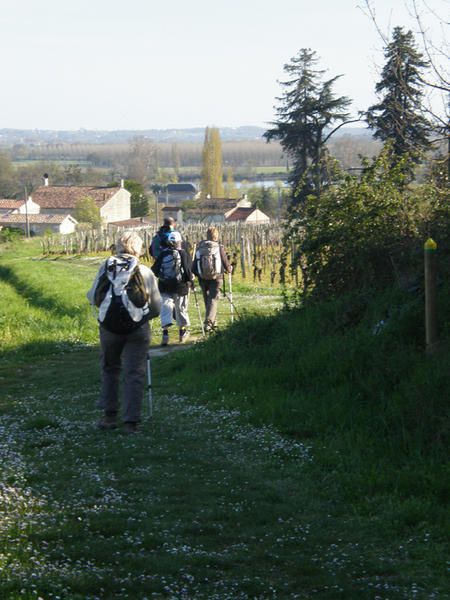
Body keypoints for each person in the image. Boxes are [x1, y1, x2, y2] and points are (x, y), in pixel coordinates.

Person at [87, 231, 161, 434]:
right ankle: (131, 422)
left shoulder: (106, 266)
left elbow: (92, 296)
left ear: (117, 246)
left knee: (110, 369)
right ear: (139, 249)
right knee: (134, 373)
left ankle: (109, 416)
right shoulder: (144, 271)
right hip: (138, 329)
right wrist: (146, 318)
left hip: (109, 328)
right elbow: (156, 305)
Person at [151, 230, 193, 346]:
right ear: (179, 241)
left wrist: (161, 277)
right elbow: (187, 269)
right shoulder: (183, 253)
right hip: (180, 287)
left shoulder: (163, 254)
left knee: (166, 308)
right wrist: (191, 281)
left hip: (164, 286)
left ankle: (165, 334)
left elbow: (154, 269)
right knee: (180, 309)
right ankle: (182, 333)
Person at [192, 226, 232, 333]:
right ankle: (209, 322)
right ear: (216, 235)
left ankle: (213, 322)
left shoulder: (200, 247)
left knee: (207, 300)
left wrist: (195, 274)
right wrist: (229, 269)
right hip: (217, 277)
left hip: (202, 278)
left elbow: (195, 263)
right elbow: (225, 261)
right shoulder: (219, 247)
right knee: (213, 299)